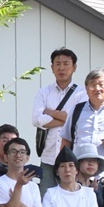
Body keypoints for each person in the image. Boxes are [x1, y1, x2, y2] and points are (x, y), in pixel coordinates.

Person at [31, 48, 86, 195]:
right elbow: (36, 120)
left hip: (72, 159)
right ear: (52, 67)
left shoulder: (82, 93)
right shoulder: (43, 92)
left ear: (74, 67)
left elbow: (79, 120)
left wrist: (50, 112)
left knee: (72, 197)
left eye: (66, 63)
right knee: (46, 199)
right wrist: (66, 118)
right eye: (58, 64)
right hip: (48, 156)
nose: (61, 68)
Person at [60, 68, 104, 164]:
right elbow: (66, 140)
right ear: (86, 89)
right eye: (93, 85)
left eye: (101, 85)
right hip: (80, 172)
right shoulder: (76, 110)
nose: (97, 89)